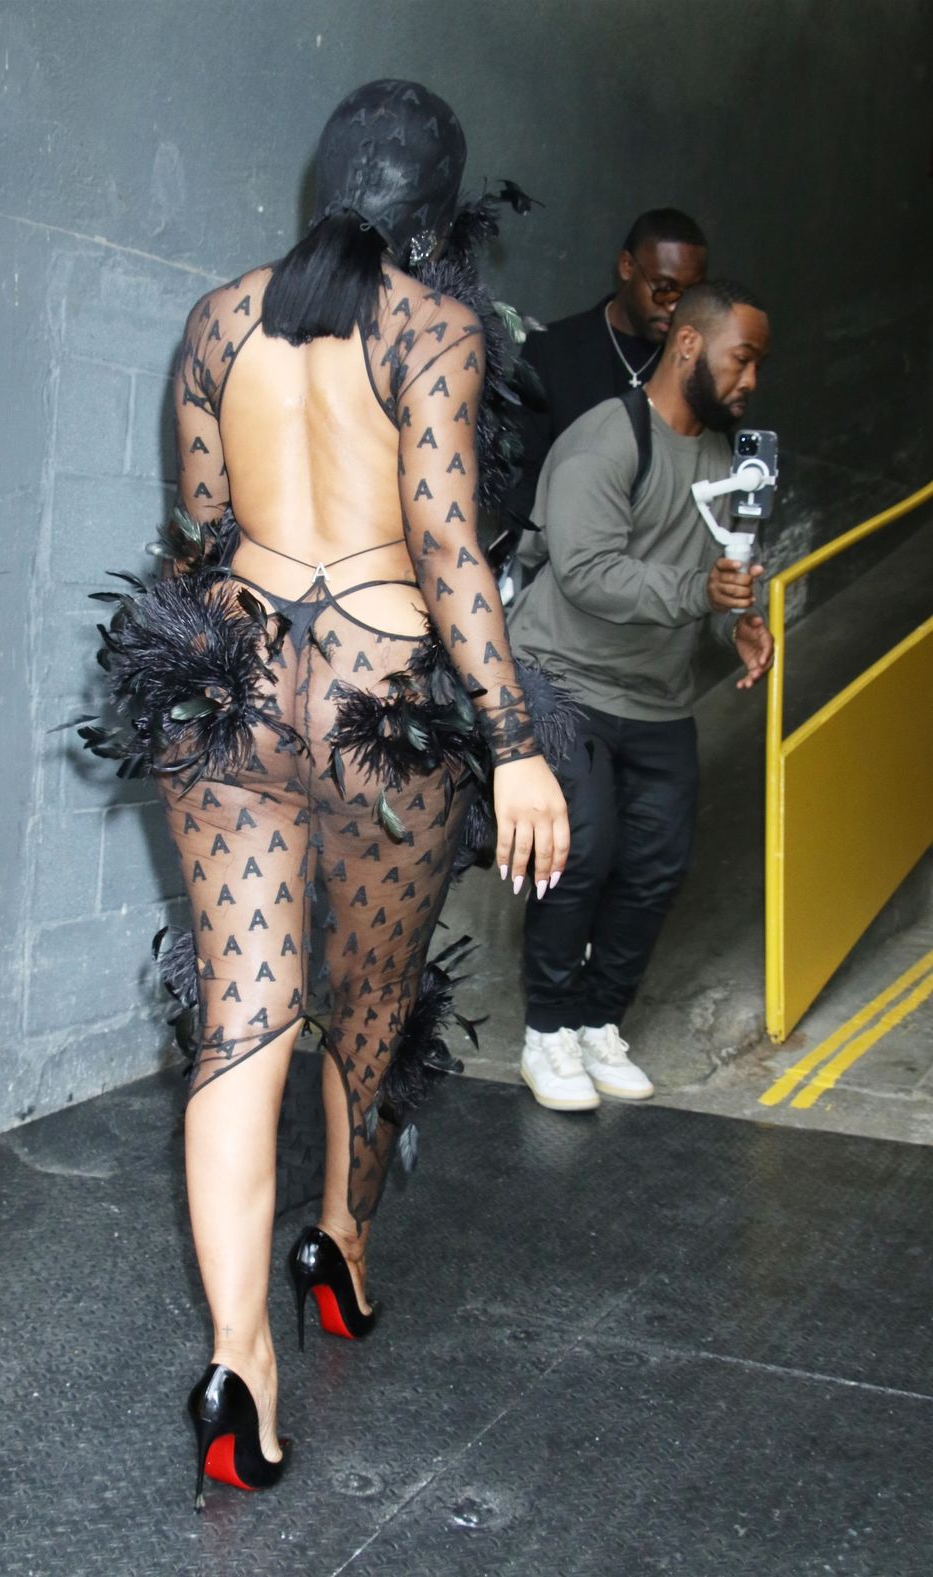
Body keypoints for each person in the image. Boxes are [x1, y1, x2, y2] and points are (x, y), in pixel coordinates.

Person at [78, 80, 569, 1506]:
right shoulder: (435, 328)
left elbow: (198, 528)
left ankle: (240, 1365)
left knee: (243, 1021)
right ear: (438, 213)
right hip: (381, 700)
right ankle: (338, 1243)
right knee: (370, 1001)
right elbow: (448, 543)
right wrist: (515, 738)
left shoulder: (220, 319)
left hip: (232, 687)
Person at [507, 280, 773, 1112]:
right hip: (564, 679)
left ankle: (597, 1021)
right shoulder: (605, 439)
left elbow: (720, 572)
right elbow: (587, 573)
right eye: (741, 359)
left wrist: (739, 622)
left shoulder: (727, 461)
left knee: (656, 866)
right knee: (581, 850)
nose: (751, 380)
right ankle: (547, 1031)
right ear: (689, 346)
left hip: (657, 696)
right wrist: (700, 593)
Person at [508, 208, 708, 525]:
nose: (675, 307)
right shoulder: (552, 349)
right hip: (560, 544)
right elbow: (522, 474)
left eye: (690, 295)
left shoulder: (694, 366)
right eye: (663, 288)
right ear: (627, 266)